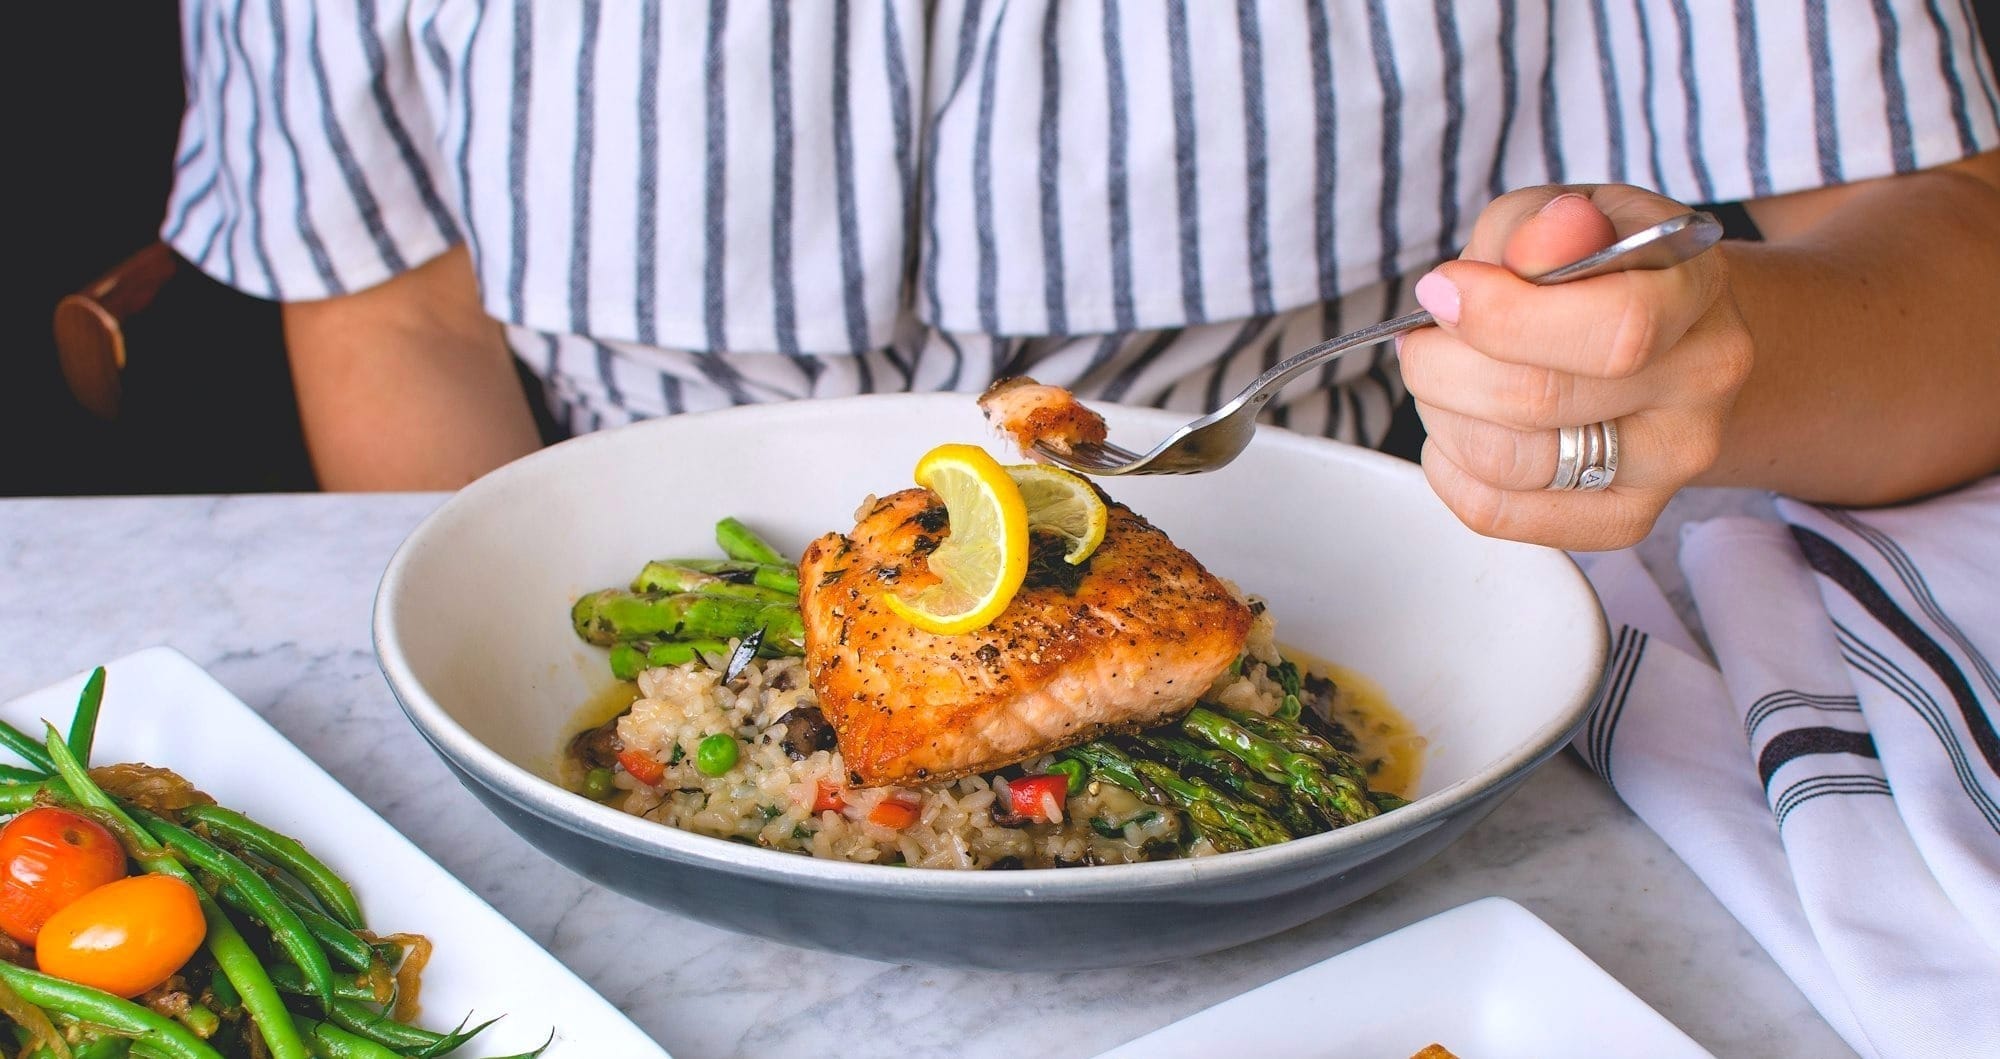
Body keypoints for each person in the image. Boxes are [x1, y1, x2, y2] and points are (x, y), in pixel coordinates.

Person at [162, 2, 2000, 550]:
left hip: (1377, 580)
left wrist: (1704, 367)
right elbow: (397, 315)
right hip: (644, 602)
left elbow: (1957, 272)